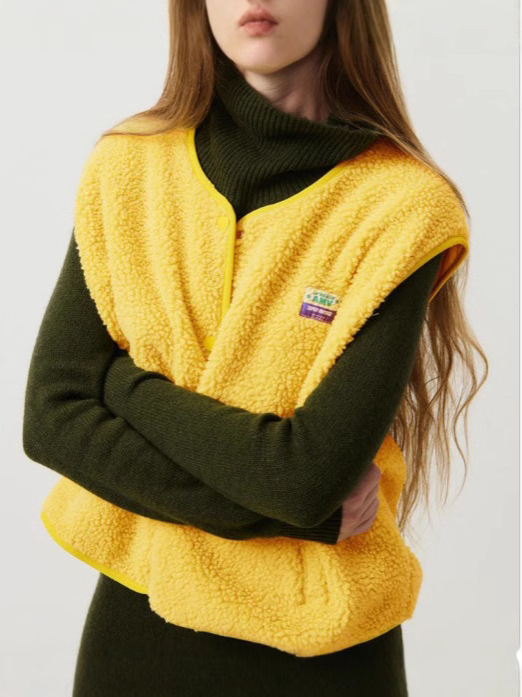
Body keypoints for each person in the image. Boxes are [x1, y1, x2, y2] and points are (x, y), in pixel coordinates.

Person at [22, 1, 487, 695]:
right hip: (137, 638)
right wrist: (305, 516)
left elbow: (304, 475)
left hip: (326, 654)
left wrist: (120, 385)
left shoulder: (404, 209)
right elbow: (52, 419)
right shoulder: (129, 170)